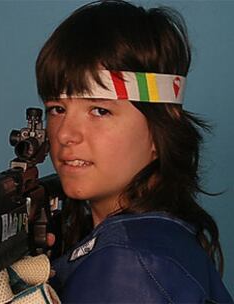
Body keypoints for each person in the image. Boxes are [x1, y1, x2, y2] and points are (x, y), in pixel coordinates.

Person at [35, 0, 233, 303]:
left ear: (160, 125)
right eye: (57, 108)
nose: (64, 134)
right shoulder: (155, 239)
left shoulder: (129, 264)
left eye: (100, 110)